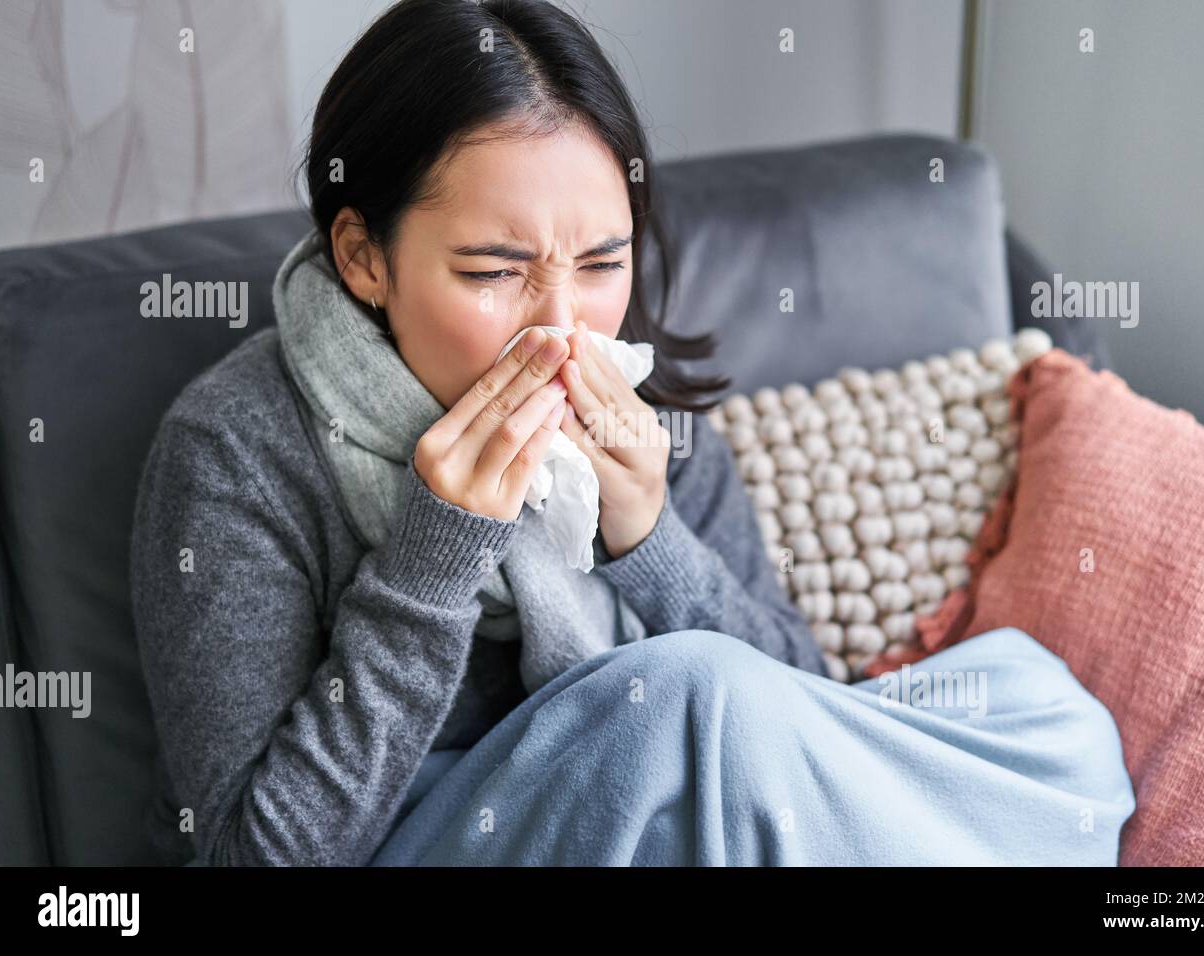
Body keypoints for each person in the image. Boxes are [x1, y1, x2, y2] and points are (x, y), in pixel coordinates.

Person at [130, 0, 1135, 867]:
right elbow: (253, 851)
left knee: (1043, 708)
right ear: (364, 258)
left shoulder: (633, 413)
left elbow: (799, 709)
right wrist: (430, 561)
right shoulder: (235, 447)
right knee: (688, 691)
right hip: (447, 833)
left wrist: (647, 536)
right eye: (491, 270)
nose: (563, 327)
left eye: (602, 262)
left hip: (682, 823)